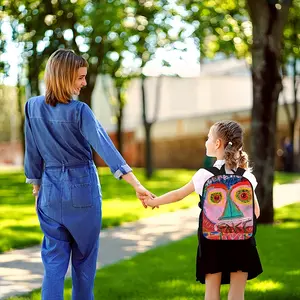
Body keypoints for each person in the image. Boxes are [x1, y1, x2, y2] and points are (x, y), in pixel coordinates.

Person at [24, 49, 154, 300]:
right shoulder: (79, 111)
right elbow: (106, 148)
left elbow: (32, 153)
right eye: (80, 77)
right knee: (83, 265)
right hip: (82, 191)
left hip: (49, 194)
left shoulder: (32, 107)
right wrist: (135, 184)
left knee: (53, 265)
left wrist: (37, 189)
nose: (84, 83)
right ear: (64, 77)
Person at [145, 120, 263, 300]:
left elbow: (178, 195)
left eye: (208, 138)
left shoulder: (205, 175)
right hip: (241, 240)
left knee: (211, 293)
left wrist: (154, 202)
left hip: (212, 242)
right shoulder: (246, 176)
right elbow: (256, 212)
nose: (206, 142)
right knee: (237, 293)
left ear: (217, 144)